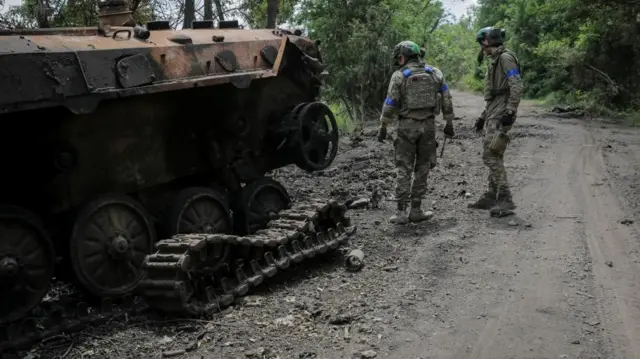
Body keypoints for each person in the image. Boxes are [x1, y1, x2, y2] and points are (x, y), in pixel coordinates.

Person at [377, 40, 455, 224]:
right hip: (428, 127)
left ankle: (401, 213)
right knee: (423, 168)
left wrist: (383, 126)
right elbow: (446, 99)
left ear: (403, 56)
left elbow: (390, 104)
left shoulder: (399, 76)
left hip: (406, 127)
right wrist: (449, 122)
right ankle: (417, 209)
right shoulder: (435, 73)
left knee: (404, 167)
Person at [468, 27, 524, 217]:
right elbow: (494, 94)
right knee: (494, 154)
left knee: (490, 155)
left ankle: (506, 199)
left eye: (482, 43)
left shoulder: (505, 58)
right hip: (495, 109)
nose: (482, 47)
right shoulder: (495, 60)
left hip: (502, 111)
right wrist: (483, 116)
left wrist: (510, 111)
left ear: (488, 41)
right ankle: (492, 195)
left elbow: (516, 85)